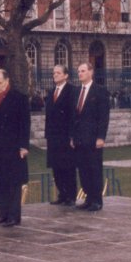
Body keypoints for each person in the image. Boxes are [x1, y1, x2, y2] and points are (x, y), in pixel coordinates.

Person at [0, 69, 30, 227]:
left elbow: (25, 123)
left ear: (7, 81)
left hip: (13, 146)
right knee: (0, 181)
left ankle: (13, 216)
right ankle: (3, 215)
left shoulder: (19, 98)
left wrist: (24, 146)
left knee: (13, 182)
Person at [70, 62, 110, 212]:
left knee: (94, 169)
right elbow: (74, 117)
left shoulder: (100, 91)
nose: (80, 73)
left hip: (93, 139)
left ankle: (96, 200)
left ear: (91, 72)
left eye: (83, 71)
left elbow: (103, 117)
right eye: (78, 71)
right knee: (83, 170)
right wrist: (72, 137)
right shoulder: (76, 92)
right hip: (79, 139)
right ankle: (88, 198)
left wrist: (101, 137)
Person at [44, 64, 76, 206]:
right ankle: (62, 194)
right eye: (53, 73)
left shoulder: (71, 91)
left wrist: (72, 135)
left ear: (65, 75)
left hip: (65, 136)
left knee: (67, 166)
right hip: (53, 136)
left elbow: (73, 115)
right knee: (56, 166)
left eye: (58, 73)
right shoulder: (51, 92)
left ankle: (70, 195)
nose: (55, 75)